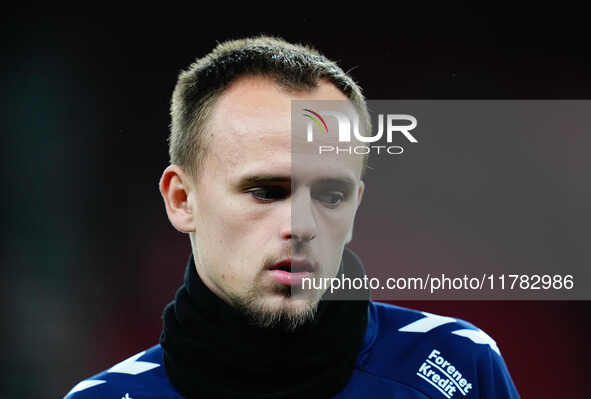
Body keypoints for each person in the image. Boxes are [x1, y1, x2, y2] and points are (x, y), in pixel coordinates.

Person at [64, 35, 520, 399]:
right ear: (182, 200)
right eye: (266, 191)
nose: (302, 225)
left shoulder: (459, 365)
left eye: (331, 194)